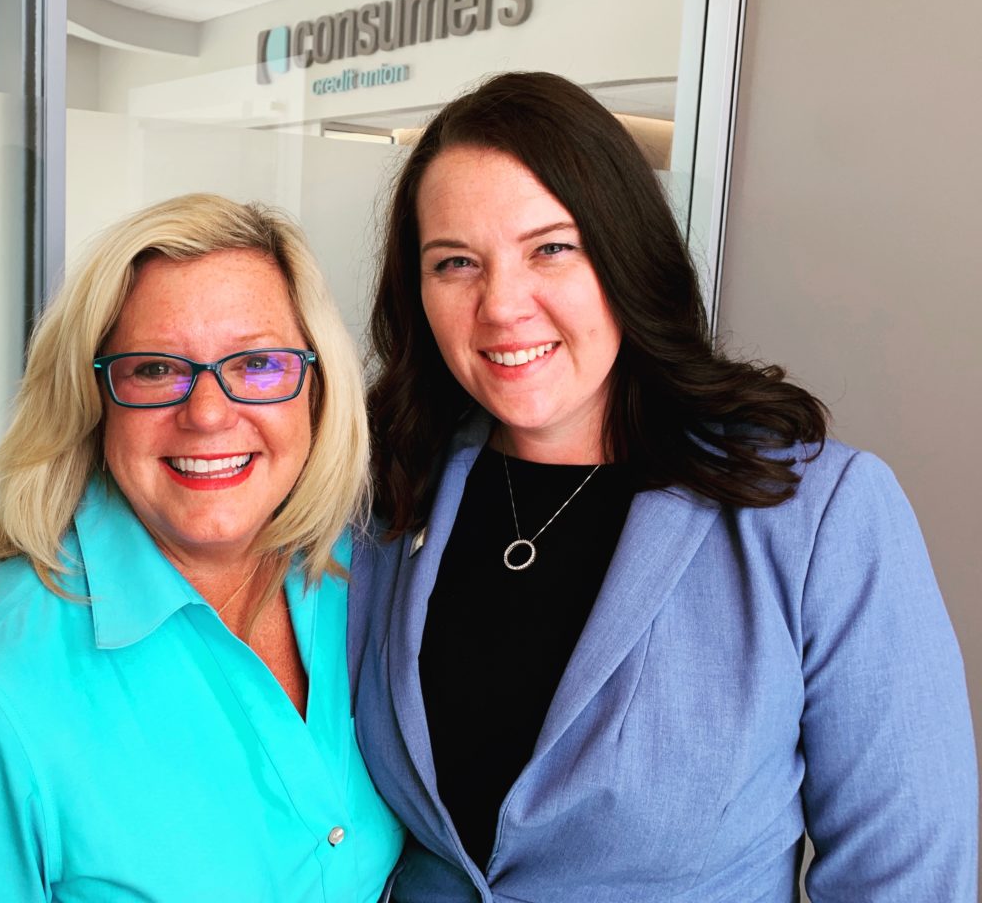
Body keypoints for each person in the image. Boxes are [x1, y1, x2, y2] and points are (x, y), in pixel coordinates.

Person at [348, 72, 977, 902]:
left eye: (551, 248)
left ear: (624, 256)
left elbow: (909, 878)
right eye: (456, 262)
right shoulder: (388, 491)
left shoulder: (818, 513)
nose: (501, 306)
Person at [0, 194, 403, 901]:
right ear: (92, 396)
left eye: (257, 363)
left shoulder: (365, 584)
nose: (207, 414)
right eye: (156, 370)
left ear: (316, 392)